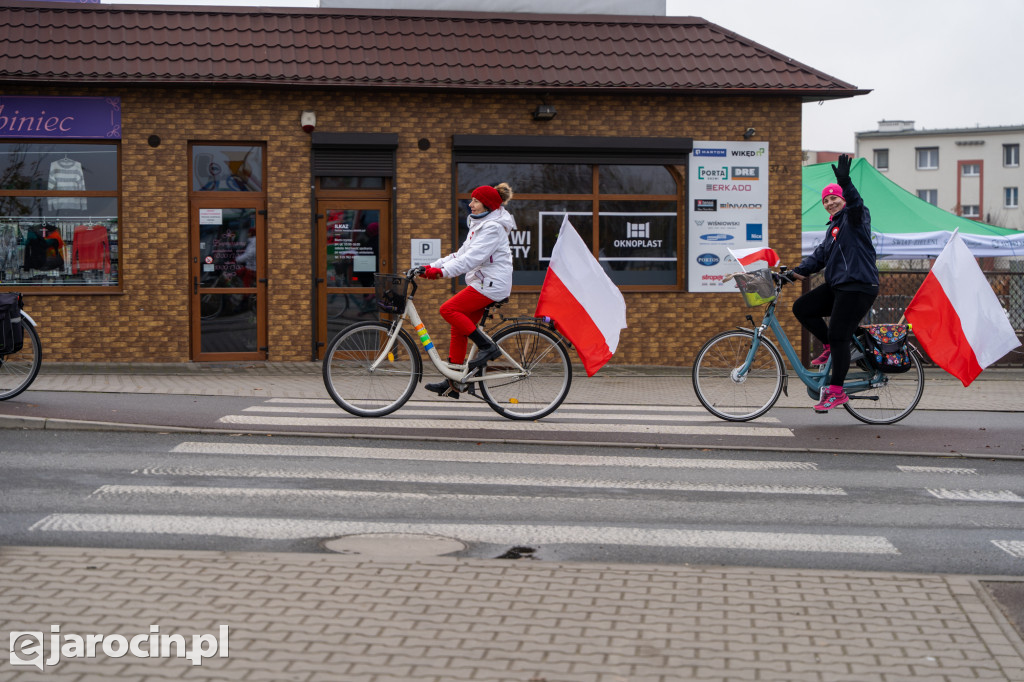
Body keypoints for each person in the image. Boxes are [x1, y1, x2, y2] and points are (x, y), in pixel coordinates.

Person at [787, 154, 879, 412]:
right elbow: (818, 258)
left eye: (834, 198)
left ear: (843, 199)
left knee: (840, 334)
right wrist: (791, 275)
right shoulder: (833, 229)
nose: (829, 202)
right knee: (802, 308)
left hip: (859, 285)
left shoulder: (855, 217)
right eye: (826, 200)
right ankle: (830, 345)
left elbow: (857, 203)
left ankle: (836, 391)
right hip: (839, 287)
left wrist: (846, 182)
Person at [420, 183, 515, 399]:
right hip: (483, 282)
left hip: (492, 284)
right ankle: (454, 382)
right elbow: (459, 255)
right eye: (471, 200)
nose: (470, 204)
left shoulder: (493, 228)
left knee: (448, 309)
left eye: (475, 201)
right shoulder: (480, 224)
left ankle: (488, 347)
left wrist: (440, 274)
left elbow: (471, 260)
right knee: (459, 326)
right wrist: (431, 266)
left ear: (487, 205)